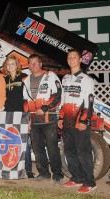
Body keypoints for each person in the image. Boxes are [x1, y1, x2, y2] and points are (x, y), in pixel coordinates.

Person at [58, 49, 96, 193]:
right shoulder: (65, 78)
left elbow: (89, 101)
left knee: (83, 152)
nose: (71, 60)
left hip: (79, 121)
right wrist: (61, 118)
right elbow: (63, 100)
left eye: (74, 57)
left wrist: (84, 121)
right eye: (69, 58)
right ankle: (76, 177)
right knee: (69, 151)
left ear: (80, 60)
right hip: (67, 121)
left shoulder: (87, 79)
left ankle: (90, 182)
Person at [23, 53, 63, 184]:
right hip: (34, 119)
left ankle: (58, 174)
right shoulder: (26, 80)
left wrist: (45, 108)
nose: (33, 65)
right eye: (31, 63)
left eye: (36, 63)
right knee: (37, 148)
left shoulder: (50, 76)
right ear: (28, 66)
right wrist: (27, 118)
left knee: (52, 148)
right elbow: (25, 102)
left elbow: (58, 95)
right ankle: (44, 173)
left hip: (49, 118)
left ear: (40, 64)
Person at [3, 55, 34, 178]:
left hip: (22, 114)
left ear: (17, 65)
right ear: (6, 66)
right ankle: (13, 167)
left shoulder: (24, 78)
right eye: (8, 64)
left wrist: (28, 119)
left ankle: (29, 170)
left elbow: (29, 99)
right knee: (11, 143)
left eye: (13, 64)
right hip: (8, 114)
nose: (10, 66)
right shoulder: (4, 80)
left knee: (24, 143)